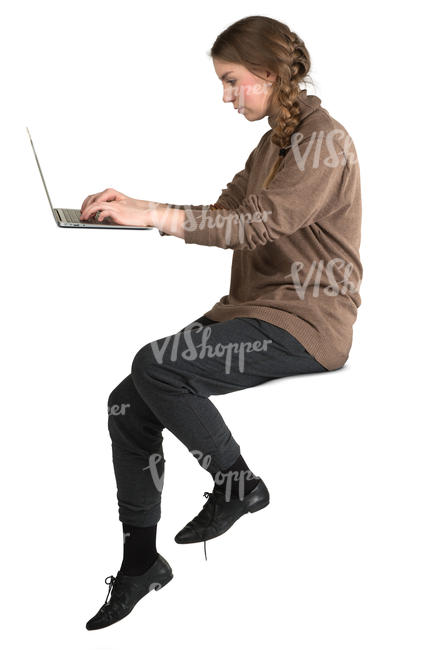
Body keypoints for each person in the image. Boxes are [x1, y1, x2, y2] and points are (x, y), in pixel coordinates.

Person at [83, 15, 363, 631]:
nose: (227, 95)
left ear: (266, 75)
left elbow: (258, 226)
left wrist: (152, 216)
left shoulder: (322, 142)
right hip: (256, 311)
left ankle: (237, 483)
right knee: (127, 404)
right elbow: (227, 213)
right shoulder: (275, 142)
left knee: (157, 363)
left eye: (233, 81)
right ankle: (140, 564)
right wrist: (133, 207)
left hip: (306, 322)